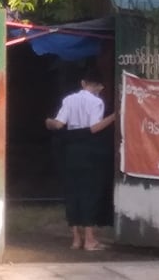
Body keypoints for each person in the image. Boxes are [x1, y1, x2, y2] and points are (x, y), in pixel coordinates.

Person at [45, 71, 117, 251]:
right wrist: (115, 116)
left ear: (83, 82)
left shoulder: (69, 99)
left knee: (72, 192)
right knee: (88, 192)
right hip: (88, 150)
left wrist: (48, 122)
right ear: (100, 87)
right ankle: (90, 240)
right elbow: (94, 128)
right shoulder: (97, 102)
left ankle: (76, 239)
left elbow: (59, 124)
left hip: (69, 150)